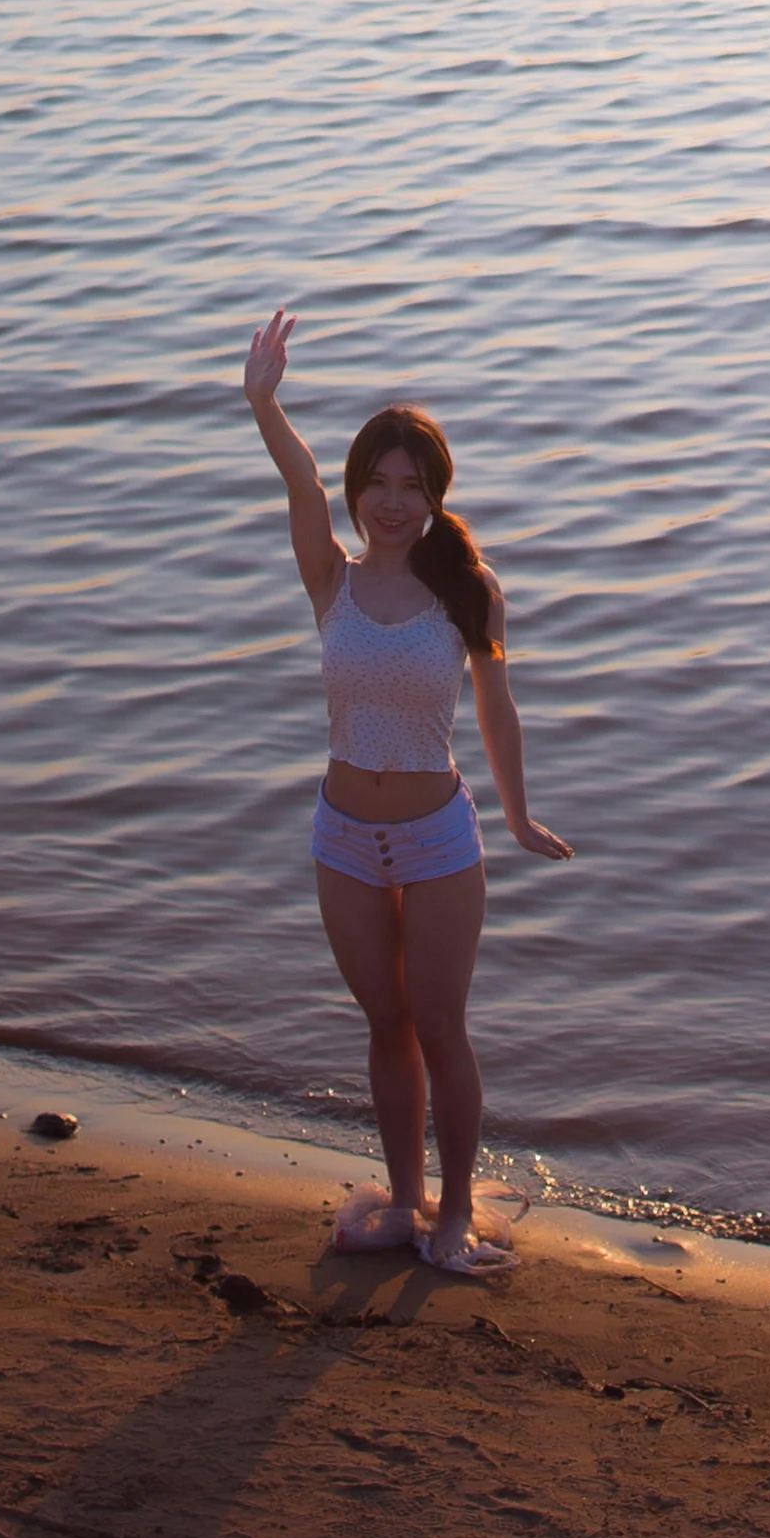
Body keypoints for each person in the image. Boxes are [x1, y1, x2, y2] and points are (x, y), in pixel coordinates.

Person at [240, 307, 571, 1276]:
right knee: (386, 1025)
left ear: (435, 494)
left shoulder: (468, 590)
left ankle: (456, 1211)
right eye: (378, 484)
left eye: (411, 486)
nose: (392, 503)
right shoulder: (330, 580)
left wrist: (515, 815)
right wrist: (264, 405)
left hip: (436, 837)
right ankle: (405, 1195)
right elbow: (297, 481)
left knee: (441, 1028)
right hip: (342, 835)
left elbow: (498, 710)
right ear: (357, 491)